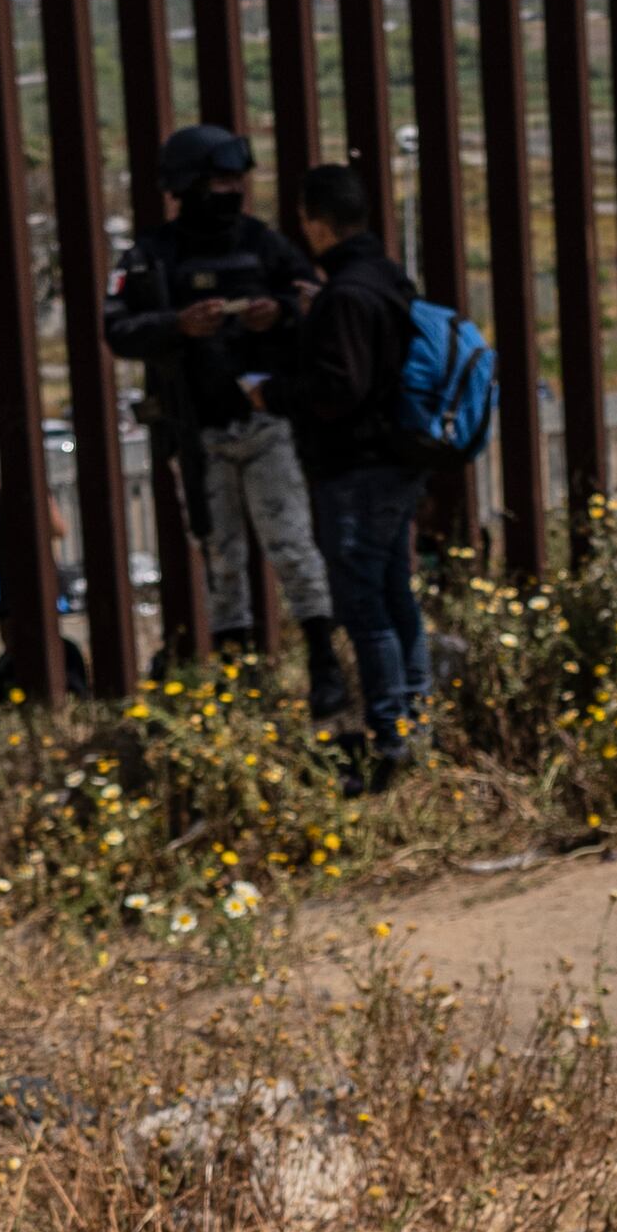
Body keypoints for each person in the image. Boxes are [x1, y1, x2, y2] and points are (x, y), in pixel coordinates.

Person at [99, 122, 350, 723]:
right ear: (188, 185)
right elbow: (117, 329)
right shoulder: (152, 256)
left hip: (265, 427)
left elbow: (314, 300)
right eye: (220, 180)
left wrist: (277, 314)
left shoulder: (262, 244)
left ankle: (324, 670)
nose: (233, 191)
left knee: (292, 546)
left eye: (239, 179)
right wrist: (176, 325)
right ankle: (242, 691)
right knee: (223, 562)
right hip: (197, 434)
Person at [271, 162, 428, 780]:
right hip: (398, 466)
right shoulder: (387, 279)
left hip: (355, 473)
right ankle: (418, 724)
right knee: (395, 599)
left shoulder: (346, 295)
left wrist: (275, 392)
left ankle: (392, 741)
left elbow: (339, 390)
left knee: (365, 610)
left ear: (315, 222)